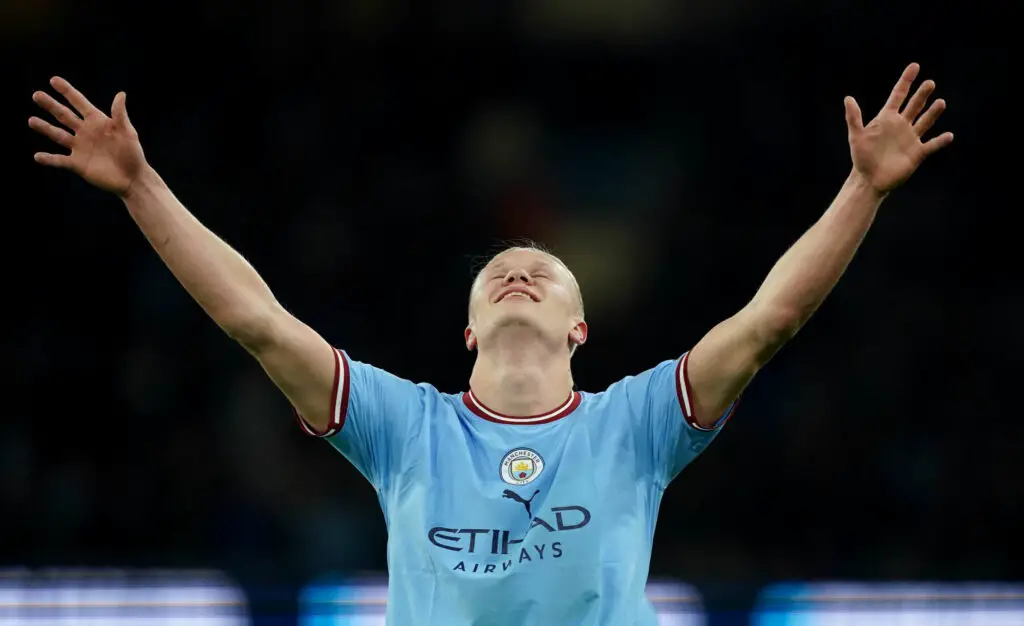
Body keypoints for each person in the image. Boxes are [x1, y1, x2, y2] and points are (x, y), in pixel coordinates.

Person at [28, 63, 951, 625]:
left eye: (543, 270)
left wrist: (863, 189)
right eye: (499, 270)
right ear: (467, 329)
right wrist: (142, 185)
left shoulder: (635, 425)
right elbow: (257, 322)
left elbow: (769, 320)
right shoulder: (403, 427)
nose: (519, 272)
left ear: (580, 327)